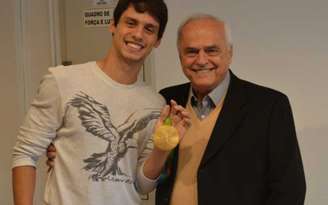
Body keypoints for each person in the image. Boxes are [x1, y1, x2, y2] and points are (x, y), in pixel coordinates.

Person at [12, 0, 190, 205]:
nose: (138, 35)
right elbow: (25, 153)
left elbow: (142, 185)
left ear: (157, 40)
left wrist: (162, 149)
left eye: (149, 29)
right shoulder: (62, 80)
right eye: (131, 23)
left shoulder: (156, 104)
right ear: (113, 25)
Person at [155, 14, 306, 205]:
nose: (201, 60)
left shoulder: (270, 106)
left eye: (211, 50)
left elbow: (289, 190)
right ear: (180, 57)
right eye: (191, 52)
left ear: (229, 53)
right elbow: (159, 172)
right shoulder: (168, 100)